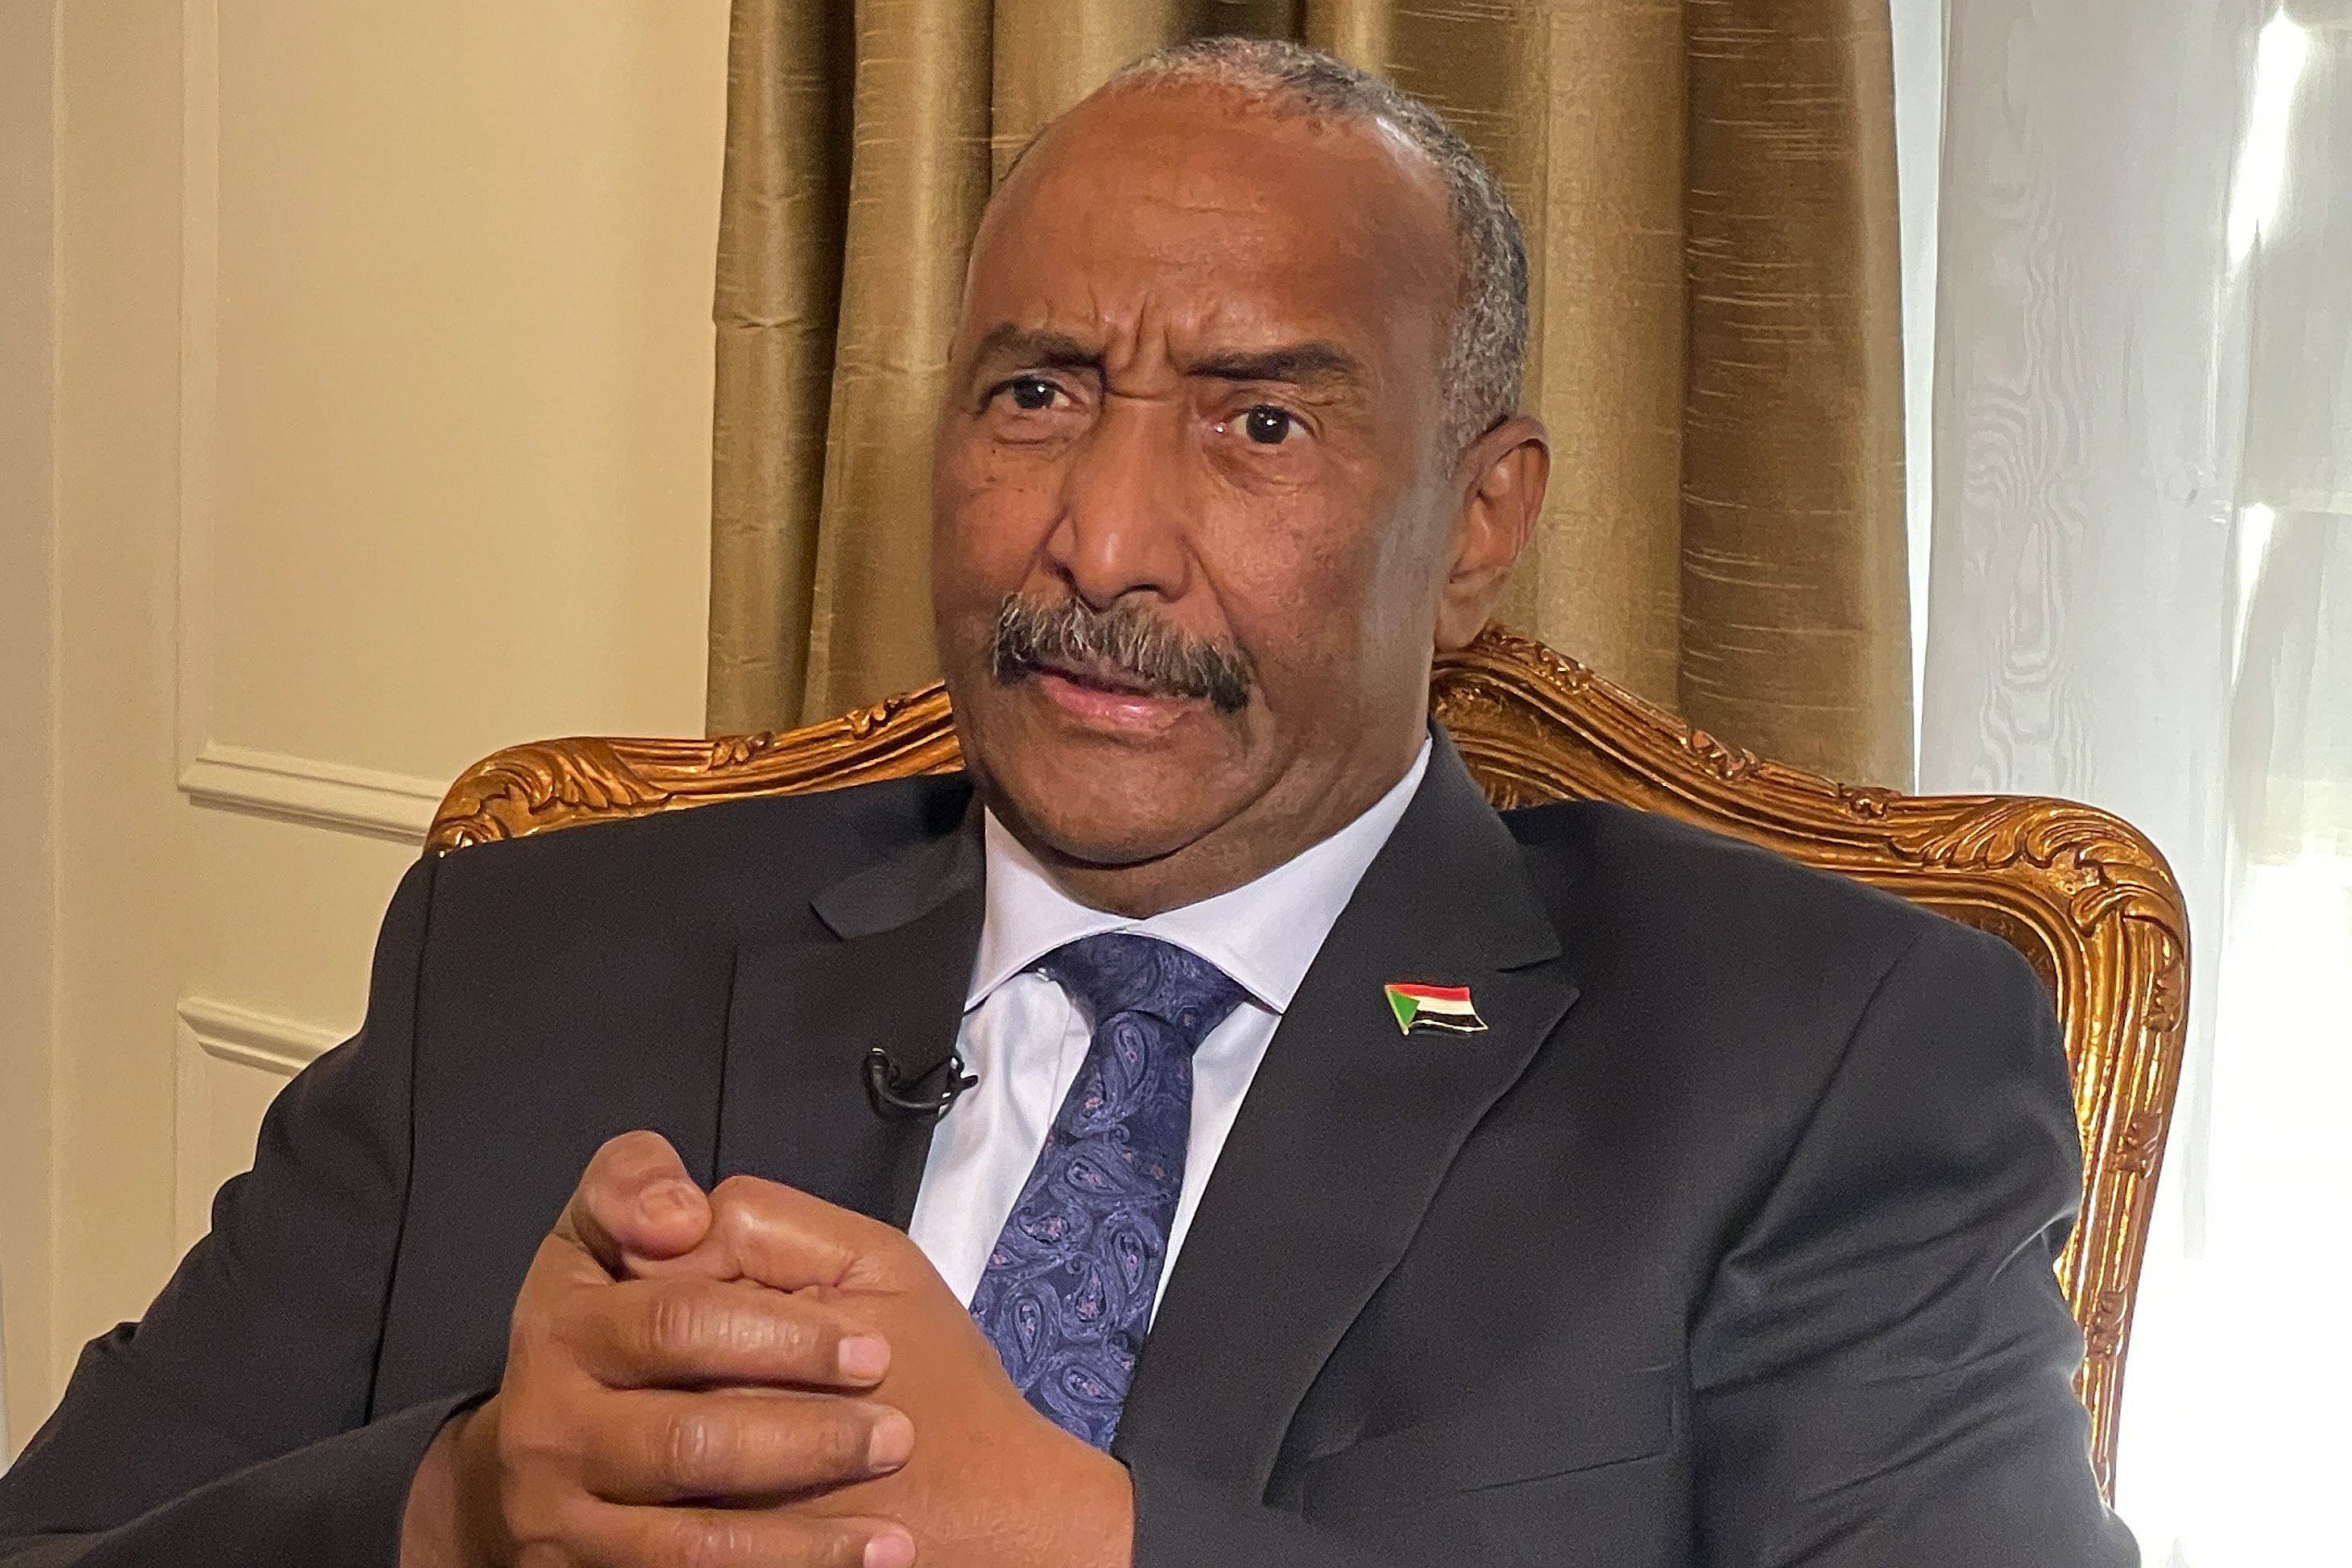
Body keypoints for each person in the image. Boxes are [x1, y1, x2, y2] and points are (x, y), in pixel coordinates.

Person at [0, 37, 2136, 1568]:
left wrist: (1093, 1537)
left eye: (1259, 424)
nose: (1099, 540)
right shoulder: (531, 958)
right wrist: (455, 1507)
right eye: (1036, 392)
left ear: (1480, 527)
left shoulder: (1820, 1060)